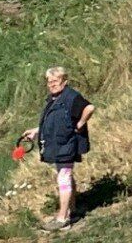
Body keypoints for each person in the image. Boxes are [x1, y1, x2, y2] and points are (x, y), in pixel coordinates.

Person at [20, 67, 93, 231]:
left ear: (64, 81)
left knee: (63, 177)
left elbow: (89, 108)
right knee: (65, 175)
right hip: (59, 145)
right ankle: (72, 209)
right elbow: (55, 122)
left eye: (55, 81)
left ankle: (62, 219)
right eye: (49, 81)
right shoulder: (54, 98)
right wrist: (36, 131)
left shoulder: (71, 97)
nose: (51, 84)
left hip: (67, 144)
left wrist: (80, 124)